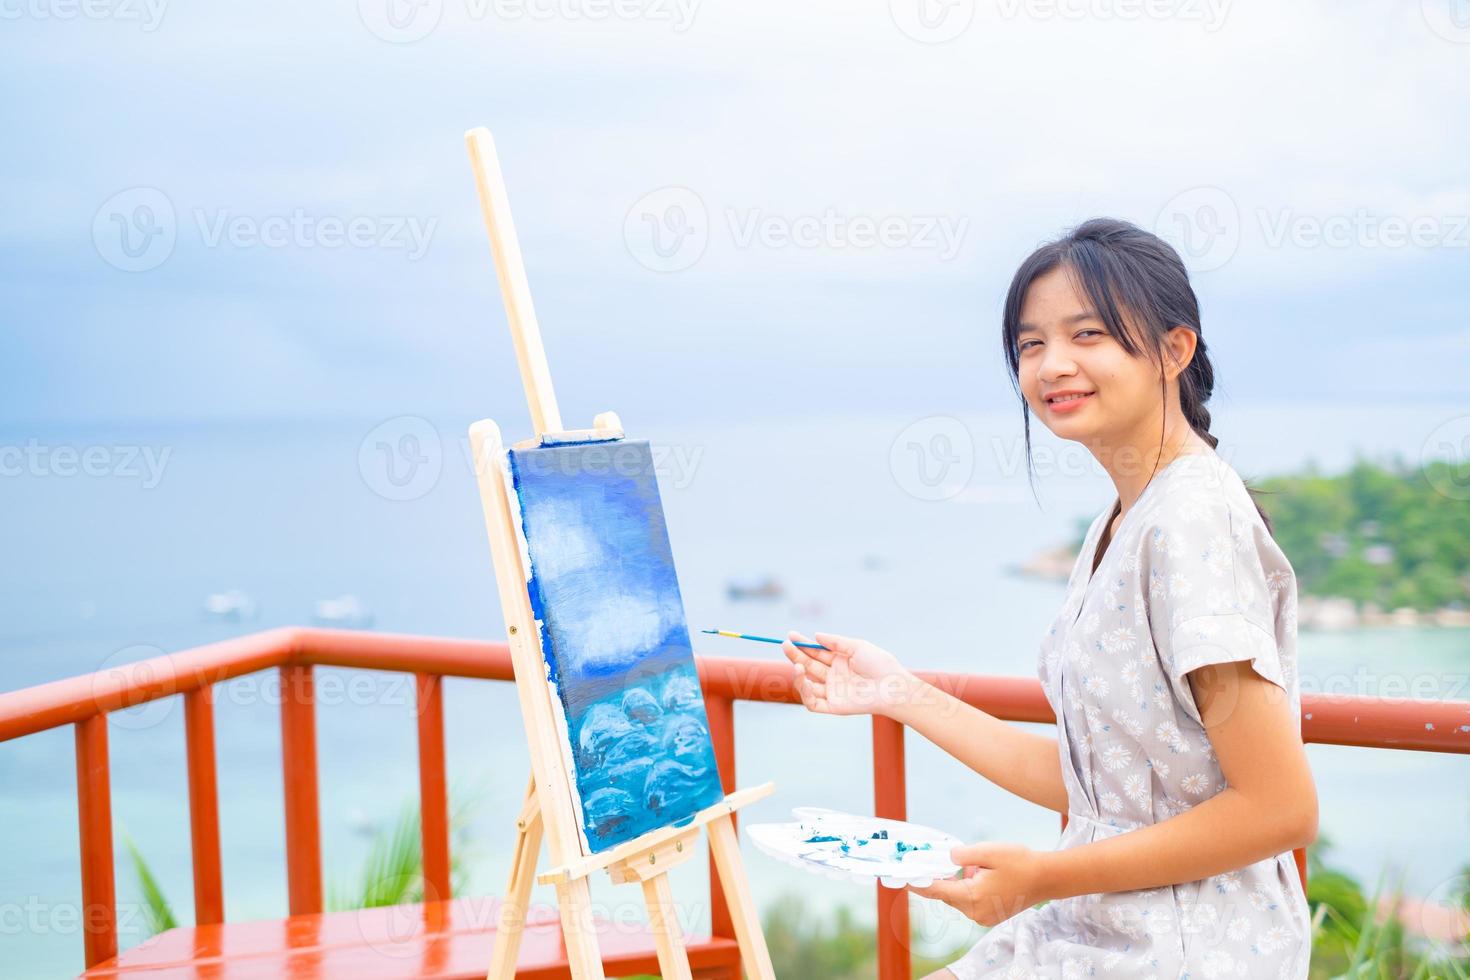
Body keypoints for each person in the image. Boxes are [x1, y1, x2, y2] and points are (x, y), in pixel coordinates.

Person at [782, 218, 1317, 978]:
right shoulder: (1126, 517)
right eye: (1031, 345)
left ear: (1175, 349)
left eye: (1087, 334)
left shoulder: (1191, 523)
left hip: (1191, 949)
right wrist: (896, 691)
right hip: (1097, 933)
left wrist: (1041, 877)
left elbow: (1279, 810)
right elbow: (1107, 789)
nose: (1052, 365)